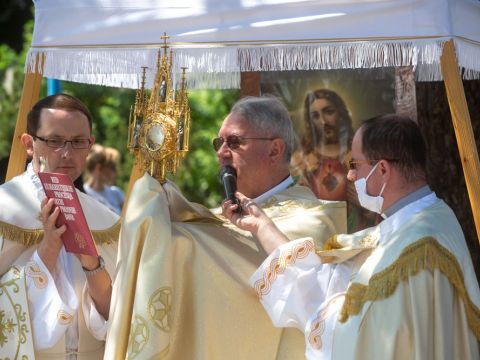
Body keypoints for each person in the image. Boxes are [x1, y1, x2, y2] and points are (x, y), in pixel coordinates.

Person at [105, 96, 347, 359]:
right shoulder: (219, 216)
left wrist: (171, 237)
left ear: (275, 150)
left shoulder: (314, 218)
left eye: (234, 142)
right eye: (219, 143)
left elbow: (243, 265)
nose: (221, 152)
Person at [223, 114, 480, 359]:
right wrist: (262, 225)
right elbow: (329, 283)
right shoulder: (430, 218)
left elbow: (356, 337)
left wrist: (320, 315)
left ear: (382, 170)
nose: (350, 176)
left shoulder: (417, 252)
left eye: (355, 165)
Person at [0, 94, 121, 359]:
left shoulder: (107, 220)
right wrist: (47, 250)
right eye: (54, 141)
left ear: (90, 145)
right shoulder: (4, 210)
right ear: (29, 144)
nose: (67, 153)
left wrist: (91, 262)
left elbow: (120, 315)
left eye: (78, 141)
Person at [290, 88, 376, 232]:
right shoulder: (299, 161)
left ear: (341, 113)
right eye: (315, 116)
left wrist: (367, 207)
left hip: (360, 237)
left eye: (329, 112)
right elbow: (288, 210)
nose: (323, 121)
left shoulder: (362, 155)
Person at [84, 144, 125, 215]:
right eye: (113, 167)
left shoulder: (116, 193)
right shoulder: (83, 193)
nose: (116, 172)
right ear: (99, 168)